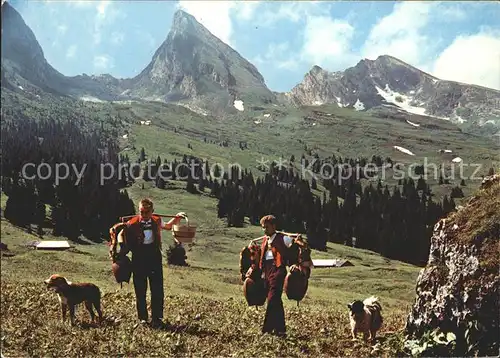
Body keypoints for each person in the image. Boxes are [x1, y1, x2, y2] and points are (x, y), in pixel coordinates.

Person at [117, 198, 185, 328]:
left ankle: (157, 318)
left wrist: (177, 218)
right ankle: (142, 318)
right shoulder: (132, 223)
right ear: (139, 210)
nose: (144, 214)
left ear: (152, 211)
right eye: (142, 211)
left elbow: (168, 226)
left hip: (154, 256)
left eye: (147, 211)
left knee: (157, 288)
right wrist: (122, 247)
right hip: (138, 256)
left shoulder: (157, 220)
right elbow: (120, 233)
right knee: (140, 289)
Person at [250, 214, 297, 337]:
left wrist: (293, 263)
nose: (264, 230)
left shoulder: (284, 238)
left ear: (274, 226)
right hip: (267, 271)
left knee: (272, 299)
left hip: (278, 271)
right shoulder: (265, 240)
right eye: (263, 227)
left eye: (267, 227)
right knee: (276, 301)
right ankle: (281, 330)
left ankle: (266, 329)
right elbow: (262, 257)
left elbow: (296, 248)